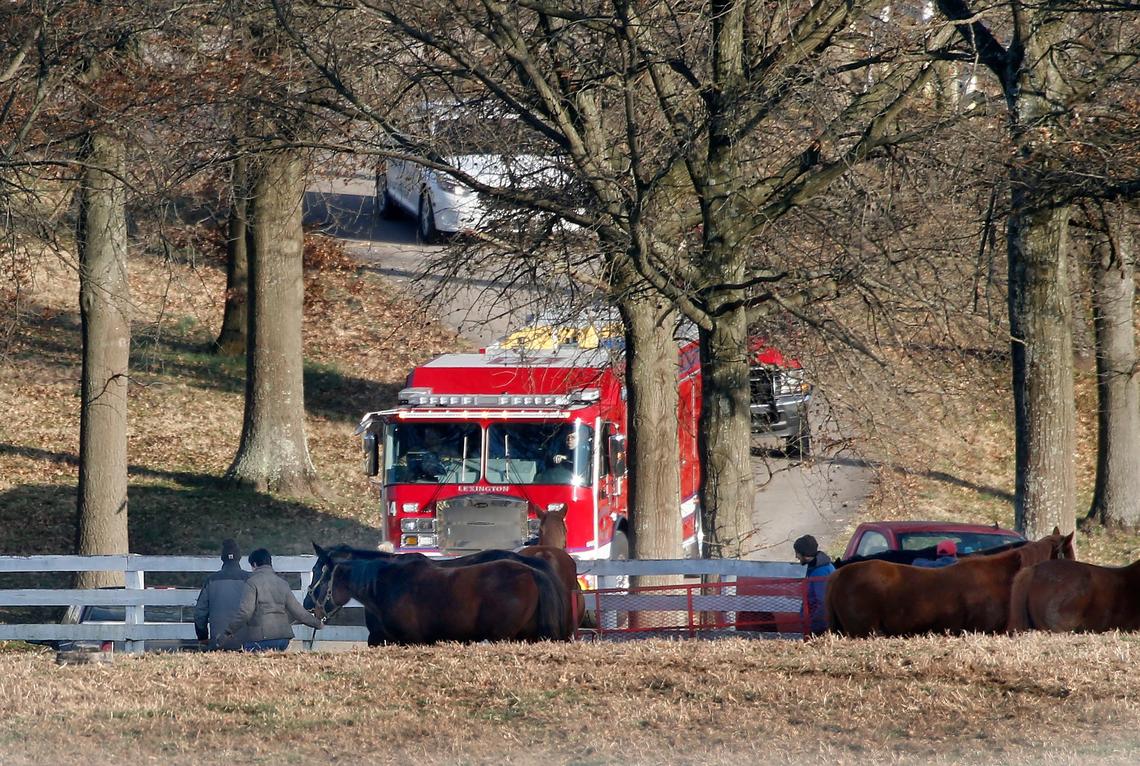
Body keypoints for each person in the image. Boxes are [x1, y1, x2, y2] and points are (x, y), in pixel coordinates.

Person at [218, 548, 323, 652]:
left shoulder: (252, 583)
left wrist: (228, 631)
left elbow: (245, 612)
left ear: (254, 564)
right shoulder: (282, 583)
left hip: (261, 639)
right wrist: (318, 624)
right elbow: (299, 612)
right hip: (283, 639)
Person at [193, 538, 252, 651]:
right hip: (247, 643)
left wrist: (203, 637)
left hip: (218, 642)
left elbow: (199, 614)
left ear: (222, 558)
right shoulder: (250, 579)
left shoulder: (211, 580)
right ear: (239, 558)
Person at [794, 534, 836, 636]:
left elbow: (822, 603)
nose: (796, 556)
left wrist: (813, 626)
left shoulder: (820, 572)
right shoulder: (817, 567)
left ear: (805, 554)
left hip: (820, 628)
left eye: (797, 553)